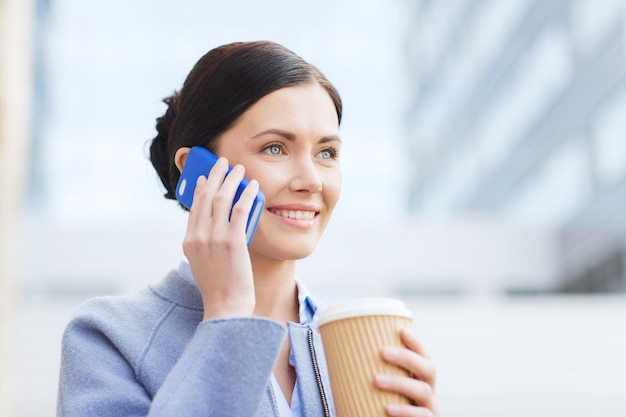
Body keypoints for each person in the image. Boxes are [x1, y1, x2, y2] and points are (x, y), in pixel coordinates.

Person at [57, 40, 438, 417]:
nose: (312, 181)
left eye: (326, 153)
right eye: (275, 148)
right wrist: (227, 319)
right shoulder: (109, 337)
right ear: (197, 170)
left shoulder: (351, 340)